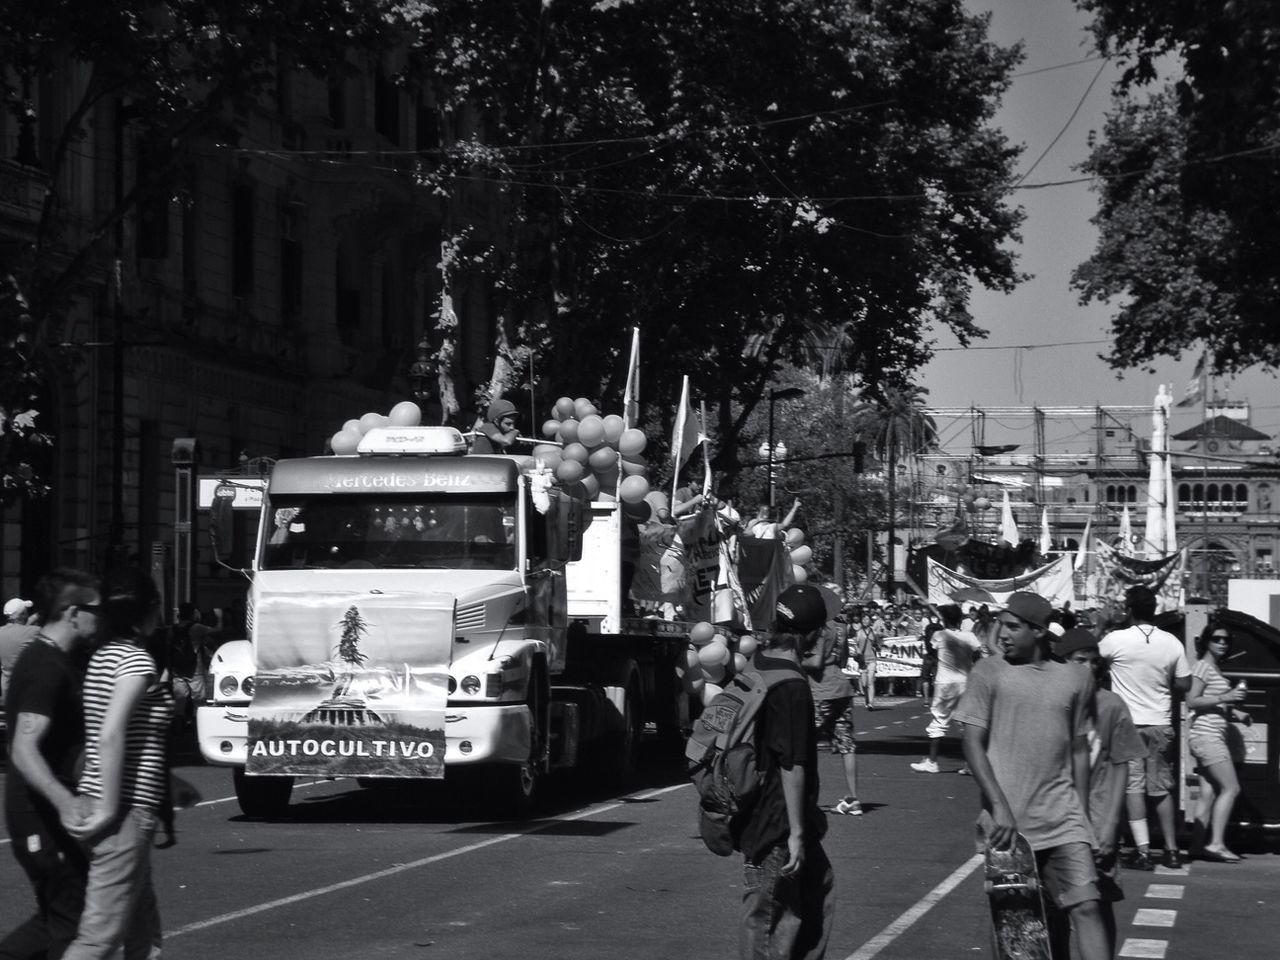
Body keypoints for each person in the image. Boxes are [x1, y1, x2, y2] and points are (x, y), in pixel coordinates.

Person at [956, 591, 1110, 960]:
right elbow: (972, 744)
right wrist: (999, 807)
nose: (1002, 634)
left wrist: (1085, 816)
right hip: (1008, 827)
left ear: (1039, 631)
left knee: (1088, 906)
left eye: (1012, 626)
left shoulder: (1075, 678)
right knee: (1017, 928)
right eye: (1000, 625)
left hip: (1063, 819)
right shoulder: (988, 673)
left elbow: (1078, 749)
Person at [63, 571, 174, 960]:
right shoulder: (135, 660)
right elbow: (111, 733)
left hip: (109, 798)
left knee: (144, 934)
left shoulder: (103, 657)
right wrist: (111, 807)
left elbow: (121, 733)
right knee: (99, 937)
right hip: (122, 809)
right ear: (147, 612)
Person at [1, 569, 101, 960]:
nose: (102, 616)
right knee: (69, 920)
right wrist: (64, 801)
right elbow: (25, 747)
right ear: (73, 612)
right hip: (37, 815)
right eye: (97, 608)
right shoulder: (44, 665)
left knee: (63, 915)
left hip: (47, 815)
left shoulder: (58, 661)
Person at [736, 583, 834, 960]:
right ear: (810, 633)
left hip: (757, 810)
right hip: (775, 821)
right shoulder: (792, 686)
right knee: (769, 918)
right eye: (820, 630)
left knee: (818, 891)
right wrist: (795, 833)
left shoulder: (761, 661)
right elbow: (791, 762)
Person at [1056, 627, 1146, 958]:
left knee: (1099, 902)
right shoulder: (1053, 702)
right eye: (1079, 661)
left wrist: (1110, 825)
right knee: (1057, 908)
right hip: (1056, 818)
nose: (1088, 668)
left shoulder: (1110, 705)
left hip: (1096, 820)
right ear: (1062, 663)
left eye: (1093, 662)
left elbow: (1122, 763)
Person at [1098, 585, 1191, 870]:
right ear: (1154, 609)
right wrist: (1162, 684)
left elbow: (1089, 660)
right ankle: (1172, 851)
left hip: (1127, 724)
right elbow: (1184, 683)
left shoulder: (1116, 640)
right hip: (1160, 722)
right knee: (1161, 787)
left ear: (1129, 610)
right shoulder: (1172, 642)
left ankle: (1142, 851)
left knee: (1133, 787)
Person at [1184, 624, 1248, 862]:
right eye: (1217, 639)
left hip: (1207, 735)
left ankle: (1197, 845)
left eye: (1226, 640)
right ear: (1207, 641)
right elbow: (1191, 701)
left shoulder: (1214, 669)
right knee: (1231, 788)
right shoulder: (1203, 666)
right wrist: (1226, 697)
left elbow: (1210, 705)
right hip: (1207, 737)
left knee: (1208, 793)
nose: (1223, 643)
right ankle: (1217, 843)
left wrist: (1235, 713)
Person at [911, 604, 983, 775]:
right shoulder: (970, 636)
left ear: (944, 619)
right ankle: (969, 764)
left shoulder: (939, 635)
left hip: (945, 683)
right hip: (966, 681)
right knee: (966, 723)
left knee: (939, 720)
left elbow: (931, 650)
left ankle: (932, 762)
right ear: (960, 619)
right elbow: (978, 655)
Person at [802, 616, 863, 817]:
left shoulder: (818, 627)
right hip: (842, 687)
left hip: (821, 690)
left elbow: (816, 661)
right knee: (847, 744)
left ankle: (804, 798)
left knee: (804, 744)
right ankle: (853, 799)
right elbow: (844, 659)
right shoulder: (841, 627)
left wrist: (798, 659)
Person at [1, 596, 41, 708]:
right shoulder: (34, 631)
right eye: (26, 612)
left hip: (7, 690)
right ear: (23, 615)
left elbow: (18, 630)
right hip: (26, 689)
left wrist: (31, 619)